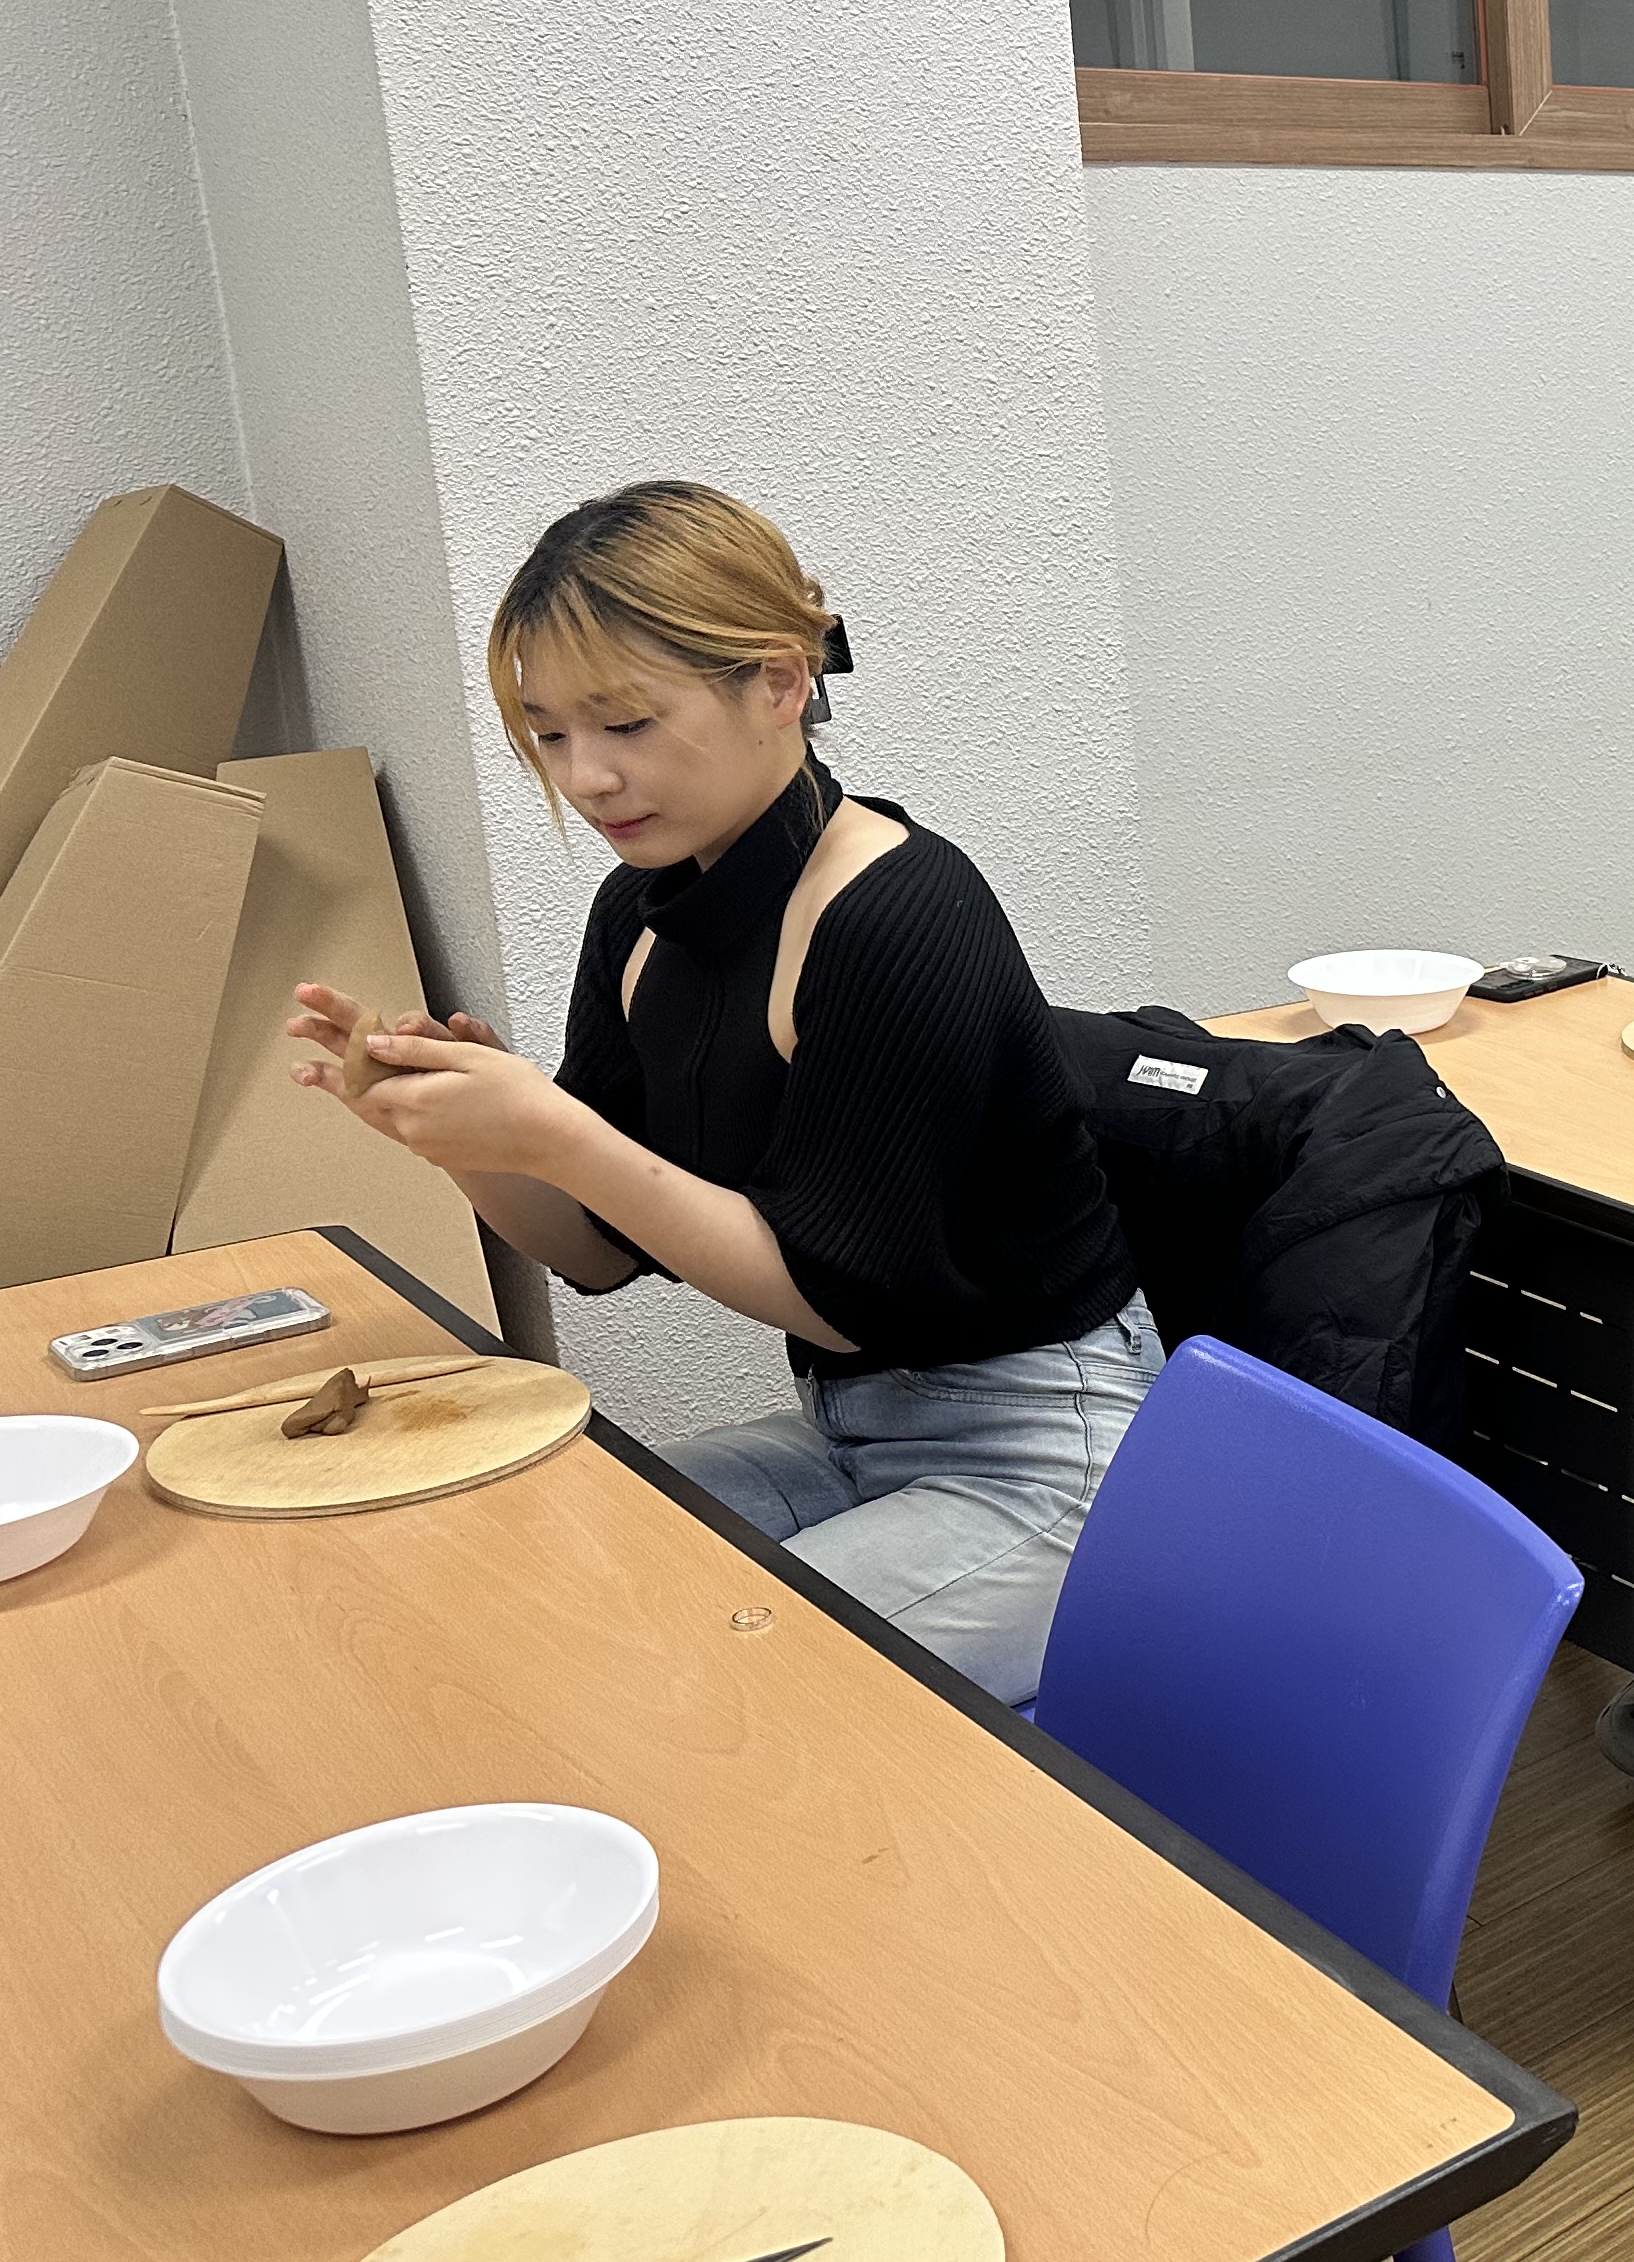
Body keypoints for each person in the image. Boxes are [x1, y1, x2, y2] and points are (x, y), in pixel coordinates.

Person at [290, 482, 1155, 1703]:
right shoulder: (638, 919)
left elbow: (839, 1302)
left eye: (626, 723)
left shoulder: (899, 910)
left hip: (1049, 1456)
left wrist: (552, 1130)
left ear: (780, 683)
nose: (588, 777)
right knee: (528, 1567)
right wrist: (457, 1133)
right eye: (548, 735)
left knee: (684, 1680)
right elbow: (596, 1252)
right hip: (850, 1429)